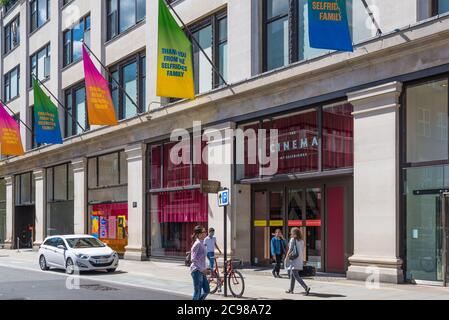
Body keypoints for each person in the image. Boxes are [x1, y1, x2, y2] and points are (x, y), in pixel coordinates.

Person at [285, 227, 311, 295]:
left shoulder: (293, 239)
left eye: (292, 233)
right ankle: (291, 289)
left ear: (295, 234)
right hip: (299, 259)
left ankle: (306, 287)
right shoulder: (301, 241)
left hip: (294, 259)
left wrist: (286, 257)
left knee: (296, 275)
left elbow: (290, 249)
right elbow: (302, 250)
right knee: (292, 274)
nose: (291, 234)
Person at [190, 225, 210, 300]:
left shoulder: (202, 242)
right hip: (196, 270)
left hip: (201, 270)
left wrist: (206, 267)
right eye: (204, 232)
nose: (206, 233)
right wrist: (203, 269)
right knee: (197, 291)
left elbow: (202, 258)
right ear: (199, 234)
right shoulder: (197, 243)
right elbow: (193, 259)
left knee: (206, 290)